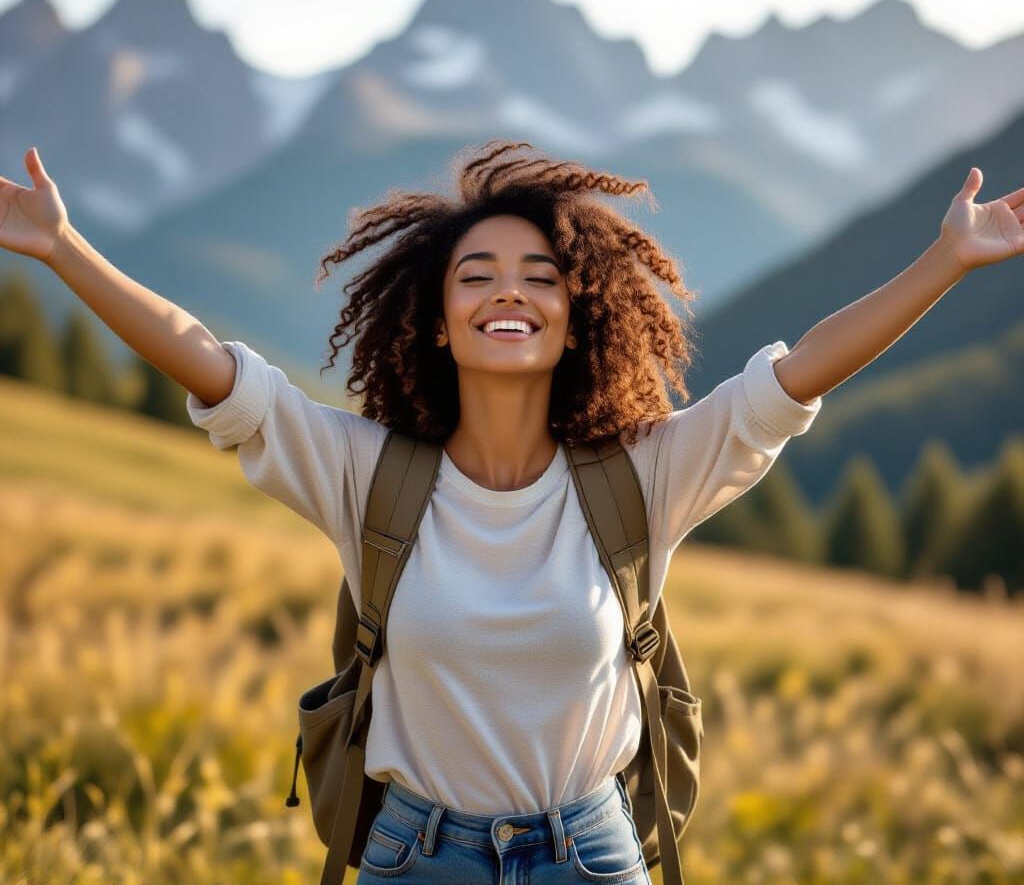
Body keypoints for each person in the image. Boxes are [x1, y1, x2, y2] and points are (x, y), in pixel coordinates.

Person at [3, 139, 1016, 884]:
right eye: (475, 274)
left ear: (576, 318)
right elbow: (224, 373)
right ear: (437, 320)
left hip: (593, 852)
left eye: (540, 277)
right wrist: (62, 249)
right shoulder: (366, 476)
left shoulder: (641, 479)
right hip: (414, 855)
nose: (508, 292)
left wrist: (946, 262)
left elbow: (791, 379)